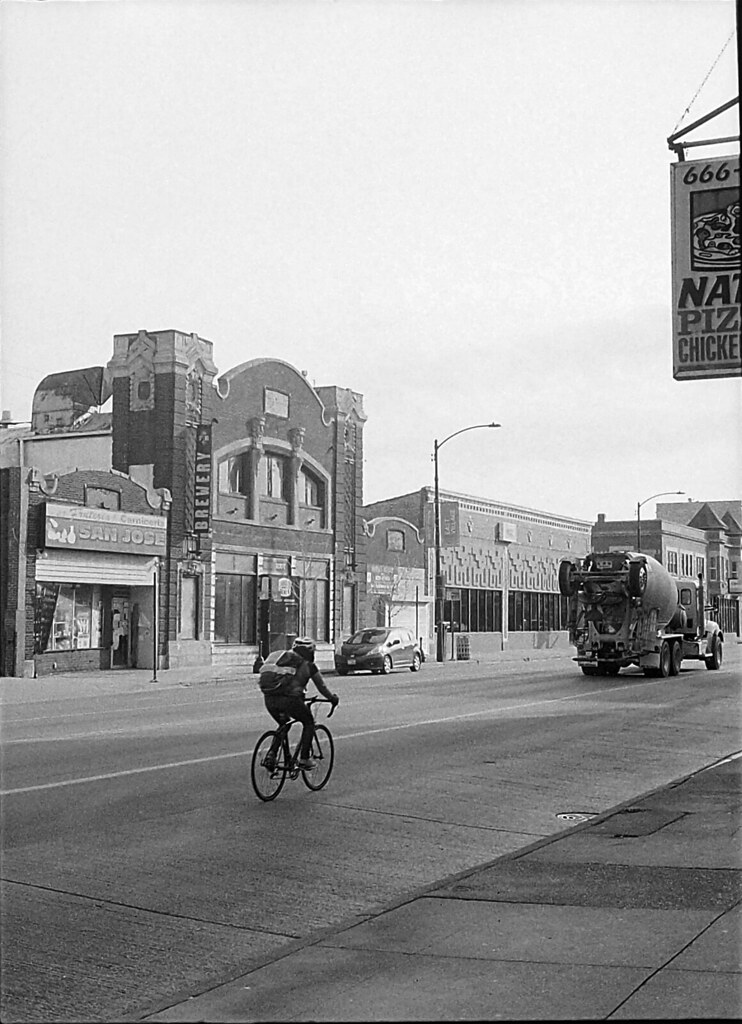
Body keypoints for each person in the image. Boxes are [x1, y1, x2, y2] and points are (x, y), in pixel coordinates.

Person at [259, 637, 339, 770]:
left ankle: (271, 755)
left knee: (284, 724)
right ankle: (304, 758)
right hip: (290, 700)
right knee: (309, 722)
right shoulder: (309, 665)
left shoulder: (283, 661)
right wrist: (332, 698)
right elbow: (322, 687)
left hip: (269, 698)